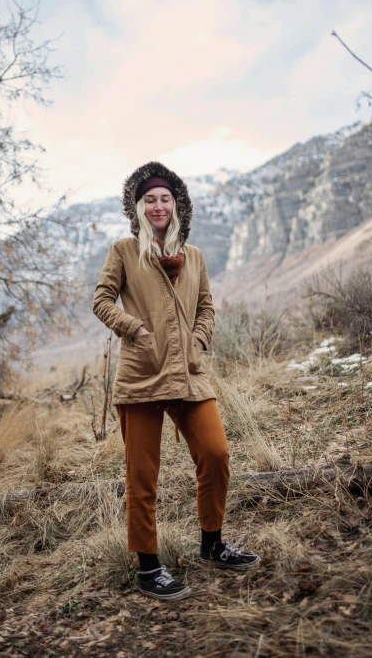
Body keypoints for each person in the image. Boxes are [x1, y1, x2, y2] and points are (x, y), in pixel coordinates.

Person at [92, 161, 260, 601]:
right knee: (142, 476)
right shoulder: (124, 251)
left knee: (216, 454)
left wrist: (199, 340)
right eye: (150, 199)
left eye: (165, 198)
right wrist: (135, 329)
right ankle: (149, 569)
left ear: (177, 203)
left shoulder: (196, 255)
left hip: (188, 374)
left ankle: (213, 545)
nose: (158, 206)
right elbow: (101, 299)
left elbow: (206, 307)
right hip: (142, 374)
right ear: (138, 206)